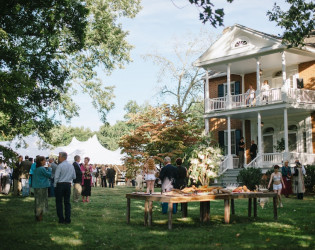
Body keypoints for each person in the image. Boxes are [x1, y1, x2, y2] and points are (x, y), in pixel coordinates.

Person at [54, 152, 76, 224]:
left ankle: (61, 218)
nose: (58, 158)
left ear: (62, 157)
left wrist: (55, 186)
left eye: (59, 157)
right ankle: (67, 218)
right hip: (68, 185)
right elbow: (74, 176)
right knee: (67, 202)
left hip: (60, 184)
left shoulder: (60, 166)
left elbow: (56, 177)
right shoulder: (71, 166)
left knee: (59, 202)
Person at [32, 156, 52, 221]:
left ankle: (37, 214)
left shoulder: (36, 169)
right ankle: (39, 216)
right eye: (44, 160)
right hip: (42, 187)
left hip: (36, 186)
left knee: (37, 201)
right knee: (41, 202)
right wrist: (49, 168)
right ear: (41, 161)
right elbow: (48, 175)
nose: (45, 161)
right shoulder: (42, 169)